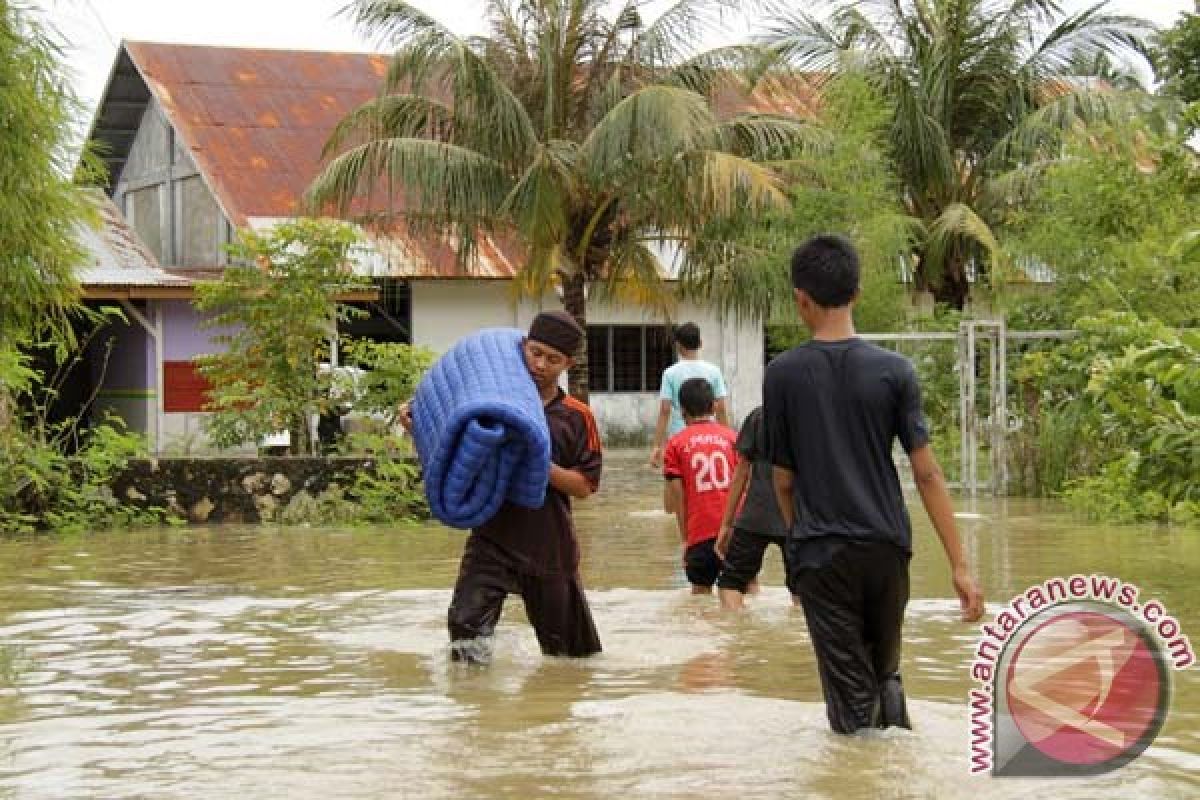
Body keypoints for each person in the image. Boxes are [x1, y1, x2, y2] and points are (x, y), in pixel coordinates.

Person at [763, 234, 984, 734]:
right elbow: (927, 473)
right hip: (888, 549)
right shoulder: (895, 371)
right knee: (885, 674)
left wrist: (801, 551)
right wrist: (961, 566)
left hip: (823, 552)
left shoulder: (782, 374)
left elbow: (782, 482)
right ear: (857, 292)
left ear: (800, 298)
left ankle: (863, 781)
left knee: (850, 702)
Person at [399, 311, 603, 664]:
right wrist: (416, 426)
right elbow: (452, 446)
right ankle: (476, 709)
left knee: (570, 657)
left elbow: (584, 486)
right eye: (535, 353)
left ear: (567, 364)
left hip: (549, 545)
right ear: (523, 346)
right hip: (492, 537)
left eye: (553, 360)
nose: (540, 365)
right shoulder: (488, 402)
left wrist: (535, 459)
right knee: (465, 634)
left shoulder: (576, 416)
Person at [663, 378, 739, 595]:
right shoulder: (733, 438)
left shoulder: (676, 444)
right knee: (746, 588)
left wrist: (685, 540)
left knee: (700, 595)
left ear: (681, 410)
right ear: (714, 406)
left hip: (700, 532)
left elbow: (677, 500)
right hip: (736, 530)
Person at [714, 406, 794, 610]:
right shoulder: (812, 417)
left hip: (755, 516)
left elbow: (741, 473)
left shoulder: (759, 416)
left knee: (731, 584)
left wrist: (726, 523)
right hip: (796, 519)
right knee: (804, 589)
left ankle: (738, 632)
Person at [649, 322, 729, 470]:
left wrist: (656, 446)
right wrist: (726, 438)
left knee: (678, 480)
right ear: (700, 343)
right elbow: (721, 408)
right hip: (709, 437)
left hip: (679, 437)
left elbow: (665, 410)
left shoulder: (670, 373)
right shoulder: (714, 371)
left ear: (678, 346)